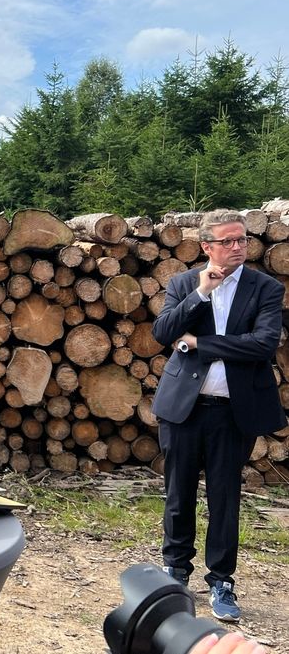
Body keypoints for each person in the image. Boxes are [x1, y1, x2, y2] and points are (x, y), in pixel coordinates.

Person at [151, 210, 285, 623]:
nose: (238, 247)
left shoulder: (264, 287)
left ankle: (222, 580)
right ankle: (175, 570)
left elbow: (263, 345)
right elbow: (162, 332)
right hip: (184, 410)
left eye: (242, 240)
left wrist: (197, 343)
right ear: (207, 246)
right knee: (179, 494)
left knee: (225, 497)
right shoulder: (183, 283)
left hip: (234, 412)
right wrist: (201, 295)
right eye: (227, 241)